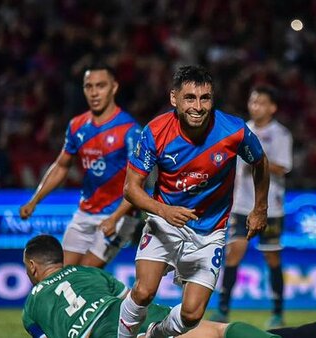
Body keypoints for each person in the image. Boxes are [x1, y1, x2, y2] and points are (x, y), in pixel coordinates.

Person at [118, 65, 270, 338]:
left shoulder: (233, 131)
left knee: (191, 315)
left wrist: (260, 209)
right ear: (174, 99)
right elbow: (131, 189)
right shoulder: (155, 131)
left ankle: (154, 336)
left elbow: (260, 162)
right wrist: (164, 211)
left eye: (205, 98)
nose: (198, 107)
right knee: (143, 291)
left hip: (210, 231)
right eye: (190, 98)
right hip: (165, 222)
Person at [21, 234, 278, 338]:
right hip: (122, 314)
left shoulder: (31, 307)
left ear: (32, 266)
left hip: (95, 333)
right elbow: (131, 300)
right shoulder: (87, 271)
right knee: (219, 332)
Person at [19, 63, 141, 268]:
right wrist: (35, 200)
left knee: (84, 275)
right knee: (61, 274)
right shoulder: (77, 126)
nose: (94, 92)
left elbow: (138, 183)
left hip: (119, 214)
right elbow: (61, 166)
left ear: (114, 87)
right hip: (85, 213)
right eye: (89, 86)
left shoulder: (130, 130)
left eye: (100, 86)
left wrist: (115, 218)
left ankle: (124, 299)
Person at [212, 85, 293, 328]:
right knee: (233, 252)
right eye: (252, 101)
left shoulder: (280, 134)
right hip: (241, 205)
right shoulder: (242, 130)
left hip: (270, 206)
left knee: (272, 257)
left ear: (272, 108)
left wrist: (259, 161)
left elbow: (285, 167)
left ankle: (278, 312)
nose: (255, 106)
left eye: (260, 102)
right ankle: (223, 310)